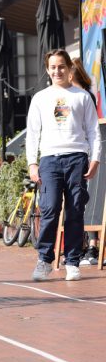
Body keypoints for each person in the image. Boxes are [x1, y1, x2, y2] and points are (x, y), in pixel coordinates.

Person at [26, 49, 100, 282]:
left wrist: (95, 158)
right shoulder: (40, 98)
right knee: (49, 209)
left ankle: (72, 262)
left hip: (77, 157)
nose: (57, 71)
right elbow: (32, 134)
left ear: (69, 69)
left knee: (75, 211)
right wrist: (32, 163)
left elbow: (93, 131)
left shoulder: (82, 96)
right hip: (49, 159)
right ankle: (44, 260)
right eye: (53, 67)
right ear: (47, 70)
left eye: (61, 66)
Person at [71, 57, 100, 265]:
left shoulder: (84, 97)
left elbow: (91, 129)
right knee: (79, 201)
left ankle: (90, 246)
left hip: (85, 154)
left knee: (87, 201)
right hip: (78, 153)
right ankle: (80, 247)